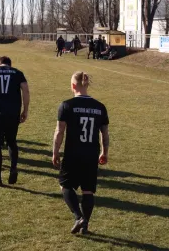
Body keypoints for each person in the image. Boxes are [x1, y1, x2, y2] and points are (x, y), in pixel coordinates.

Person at [52, 71, 109, 235]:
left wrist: (55, 152)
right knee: (88, 190)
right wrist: (104, 152)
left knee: (65, 185)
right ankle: (85, 226)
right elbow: (104, 133)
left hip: (72, 153)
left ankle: (78, 217)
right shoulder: (100, 107)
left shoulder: (67, 105)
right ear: (87, 85)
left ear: (73, 86)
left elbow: (59, 131)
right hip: (91, 154)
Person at [0, 56, 30, 186]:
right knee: (11, 141)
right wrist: (25, 110)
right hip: (13, 112)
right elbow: (25, 90)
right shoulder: (18, 73)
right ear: (10, 64)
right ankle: (13, 167)